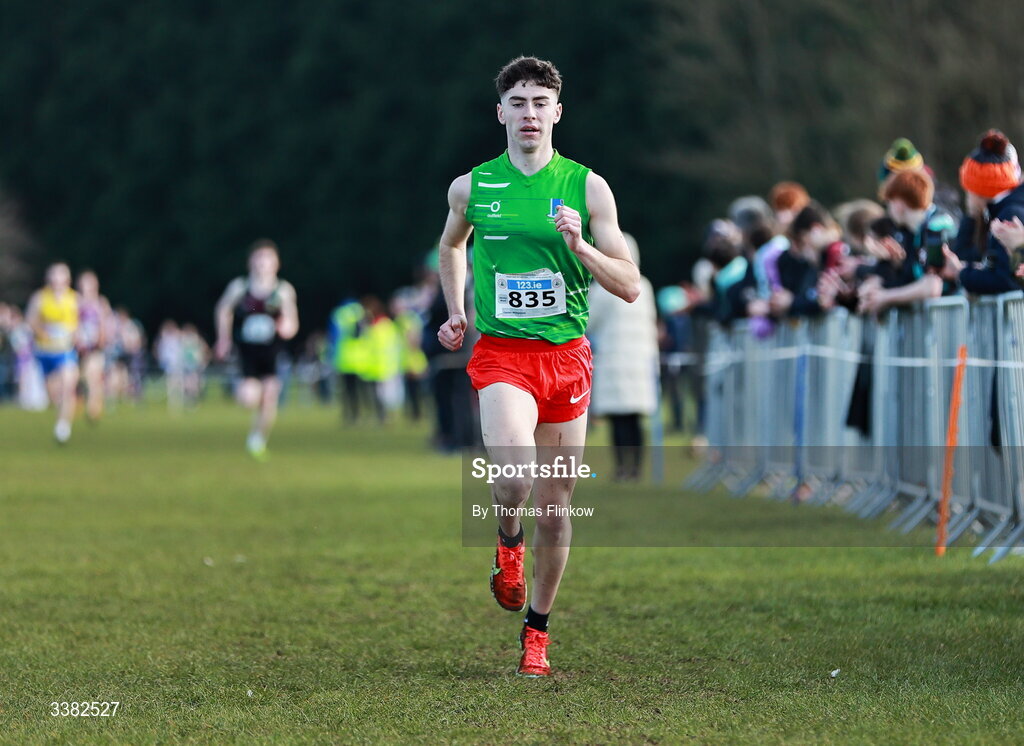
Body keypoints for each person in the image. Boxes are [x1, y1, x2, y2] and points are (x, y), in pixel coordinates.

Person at [435, 56, 640, 677]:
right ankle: (507, 542)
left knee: (558, 505)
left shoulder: (588, 187)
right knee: (516, 479)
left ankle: (538, 633)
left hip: (567, 357)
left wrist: (580, 247)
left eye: (539, 103)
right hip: (503, 354)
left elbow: (629, 284)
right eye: (517, 103)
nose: (529, 114)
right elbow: (451, 246)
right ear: (501, 113)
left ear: (557, 112)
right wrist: (455, 311)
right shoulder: (472, 187)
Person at [215, 239, 299, 459]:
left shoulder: (282, 290)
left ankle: (257, 439)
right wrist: (223, 338)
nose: (263, 263)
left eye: (268, 258)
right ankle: (246, 395)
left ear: (276, 263)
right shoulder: (241, 287)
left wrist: (287, 327)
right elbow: (224, 309)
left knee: (270, 396)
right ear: (251, 262)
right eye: (259, 258)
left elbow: (292, 321)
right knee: (249, 398)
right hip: (247, 351)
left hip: (271, 351)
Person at [587, 233, 658, 481]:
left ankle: (621, 468)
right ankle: (636, 469)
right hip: (640, 358)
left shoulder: (603, 288)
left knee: (618, 420)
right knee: (635, 419)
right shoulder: (645, 286)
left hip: (614, 358)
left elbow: (589, 321)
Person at [25, 262, 80, 443]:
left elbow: (80, 323)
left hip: (65, 351)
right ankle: (62, 415)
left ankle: (63, 426)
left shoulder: (74, 299)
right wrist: (42, 331)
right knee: (53, 395)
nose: (57, 279)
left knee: (68, 387)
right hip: (44, 351)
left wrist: (76, 334)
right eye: (54, 275)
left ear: (68, 279)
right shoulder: (40, 298)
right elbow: (30, 320)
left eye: (61, 275)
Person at [75, 270, 112, 422]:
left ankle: (93, 408)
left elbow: (106, 323)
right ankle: (80, 403)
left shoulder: (101, 302)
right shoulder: (76, 301)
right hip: (78, 347)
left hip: (96, 347)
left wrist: (102, 340)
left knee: (93, 376)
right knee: (79, 378)